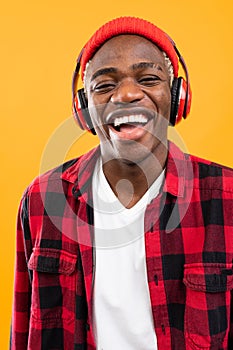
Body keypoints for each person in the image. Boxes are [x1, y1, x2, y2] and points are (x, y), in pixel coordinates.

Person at [11, 16, 233, 350]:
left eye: (148, 78)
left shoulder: (227, 198)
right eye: (104, 85)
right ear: (84, 109)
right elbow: (23, 330)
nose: (127, 94)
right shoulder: (43, 199)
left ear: (176, 98)